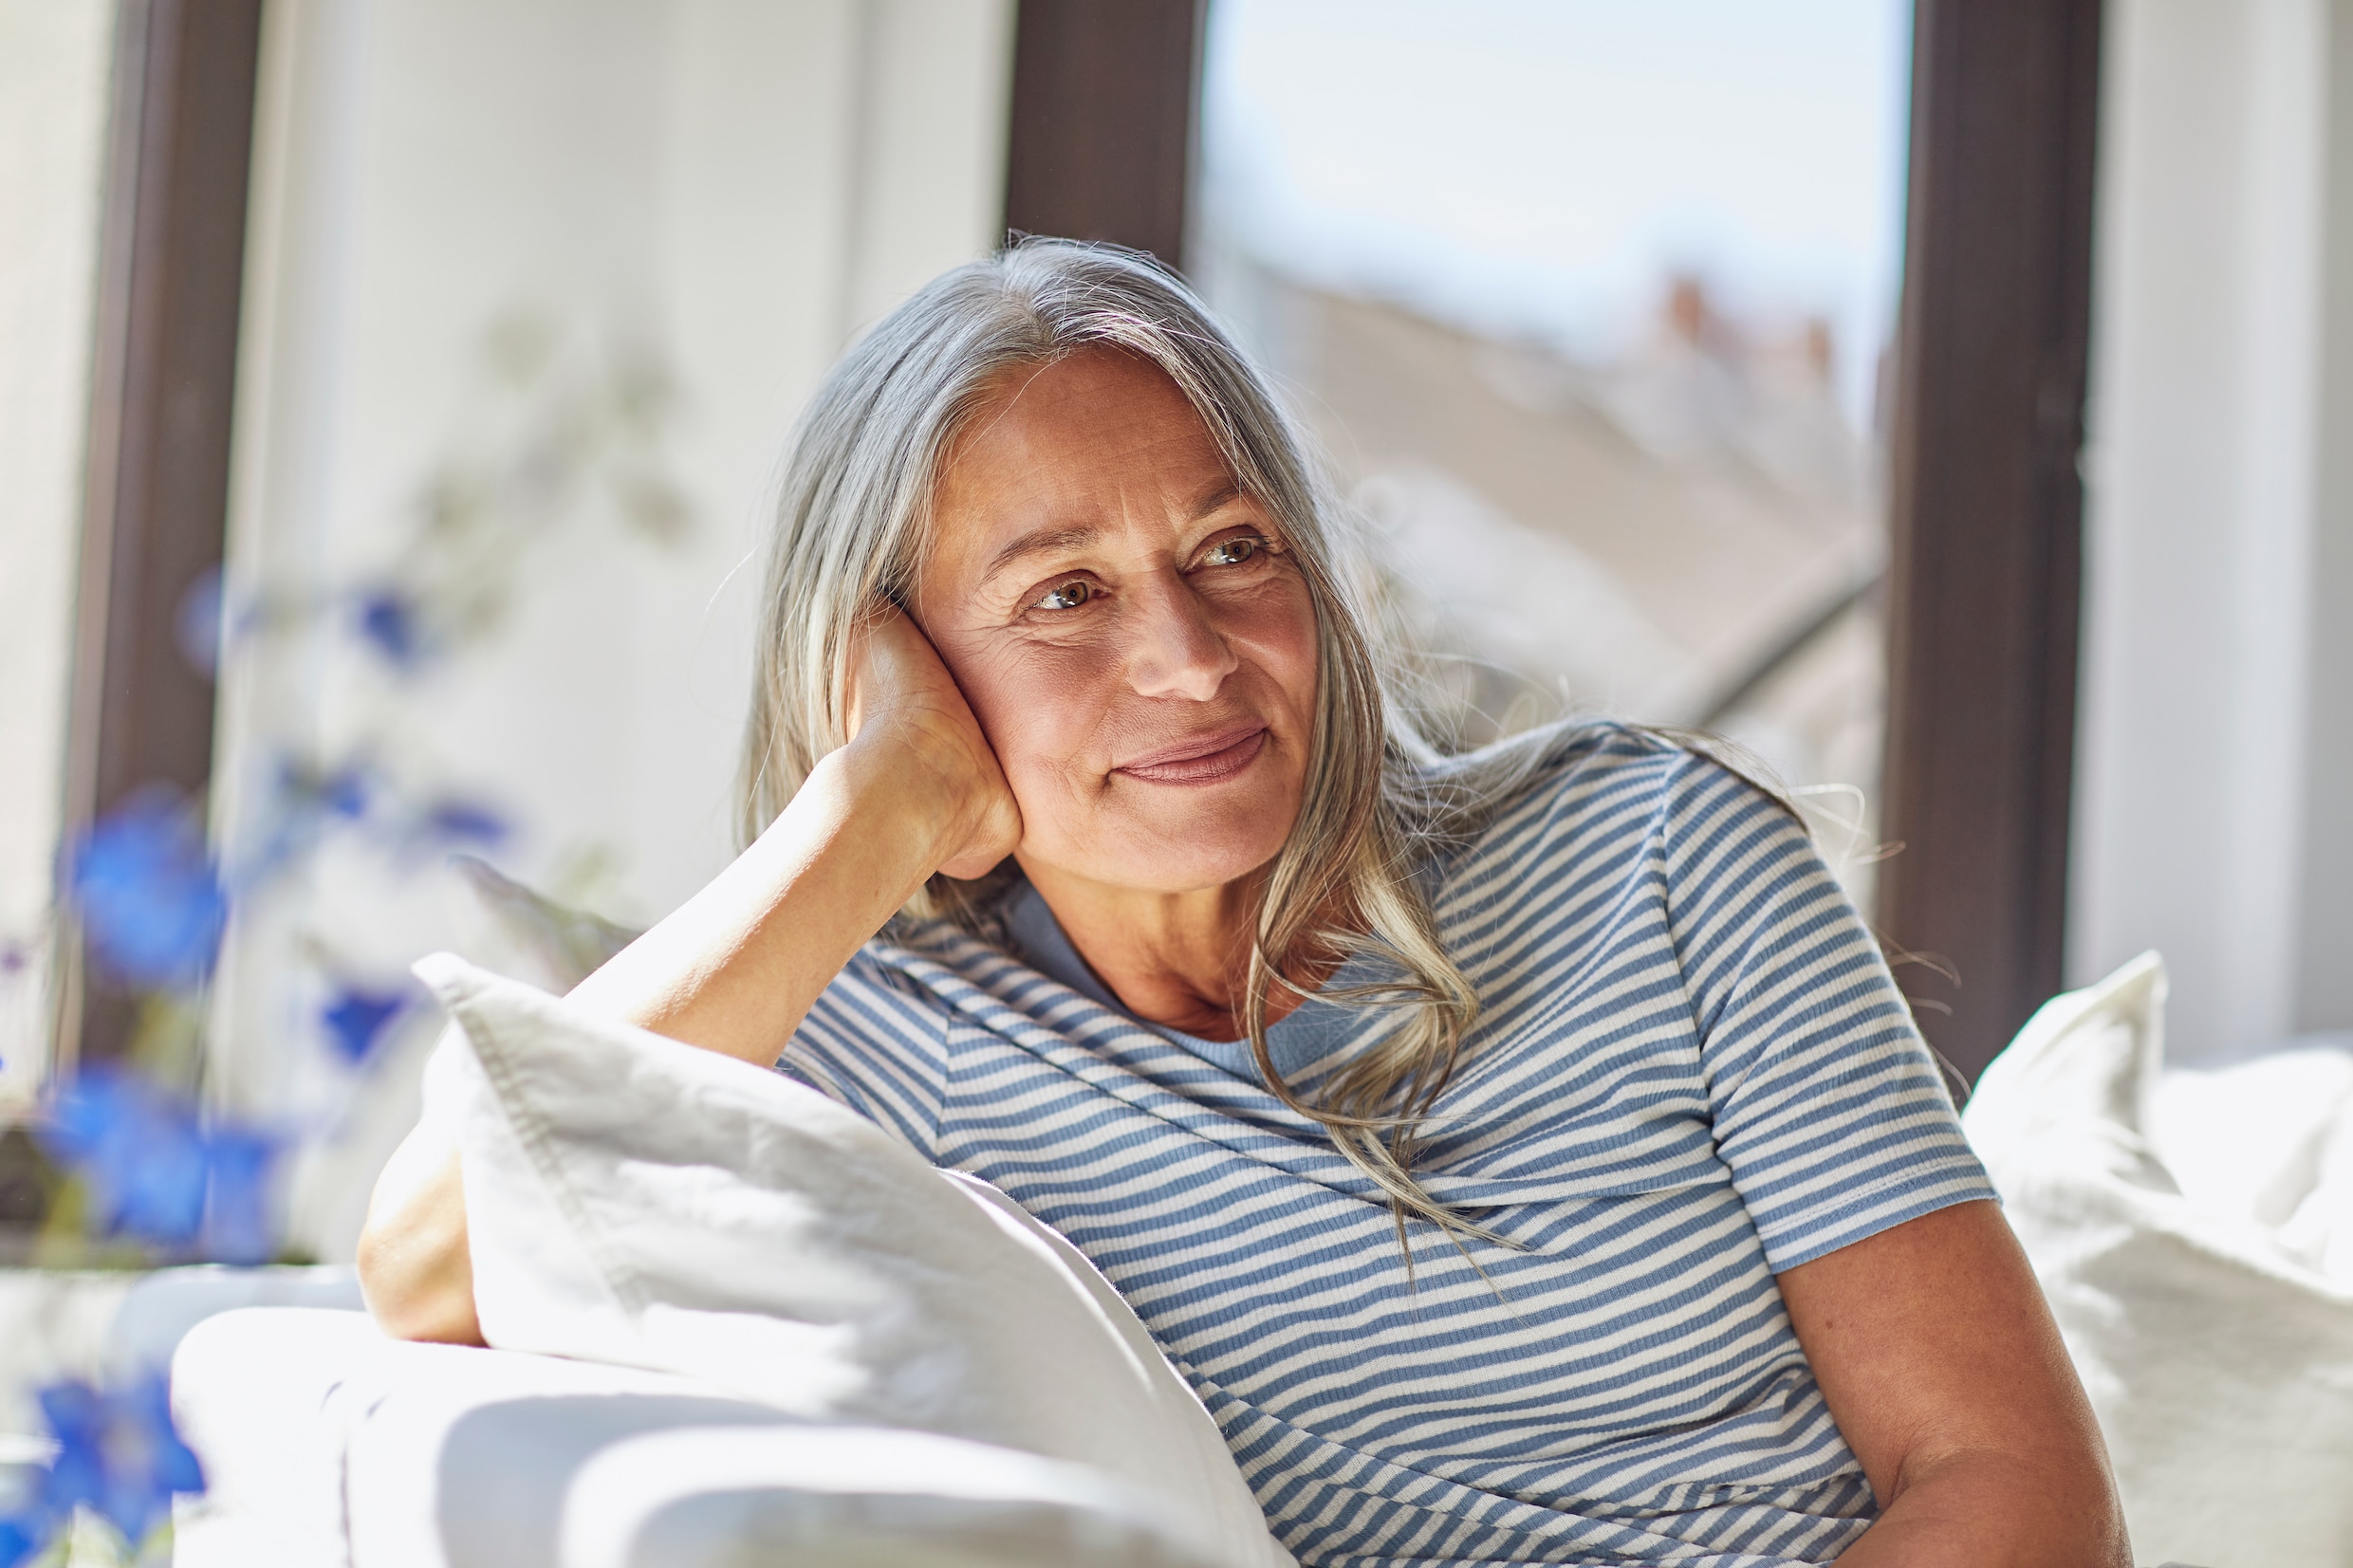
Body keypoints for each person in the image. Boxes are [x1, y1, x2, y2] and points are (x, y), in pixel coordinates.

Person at [360, 240, 2129, 1567]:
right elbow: (433, 1260)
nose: (1190, 660)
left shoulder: (1655, 858)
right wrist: (866, 816)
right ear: (891, 662)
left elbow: (2016, 1494)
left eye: (1232, 551)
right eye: (1063, 596)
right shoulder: (873, 1026)